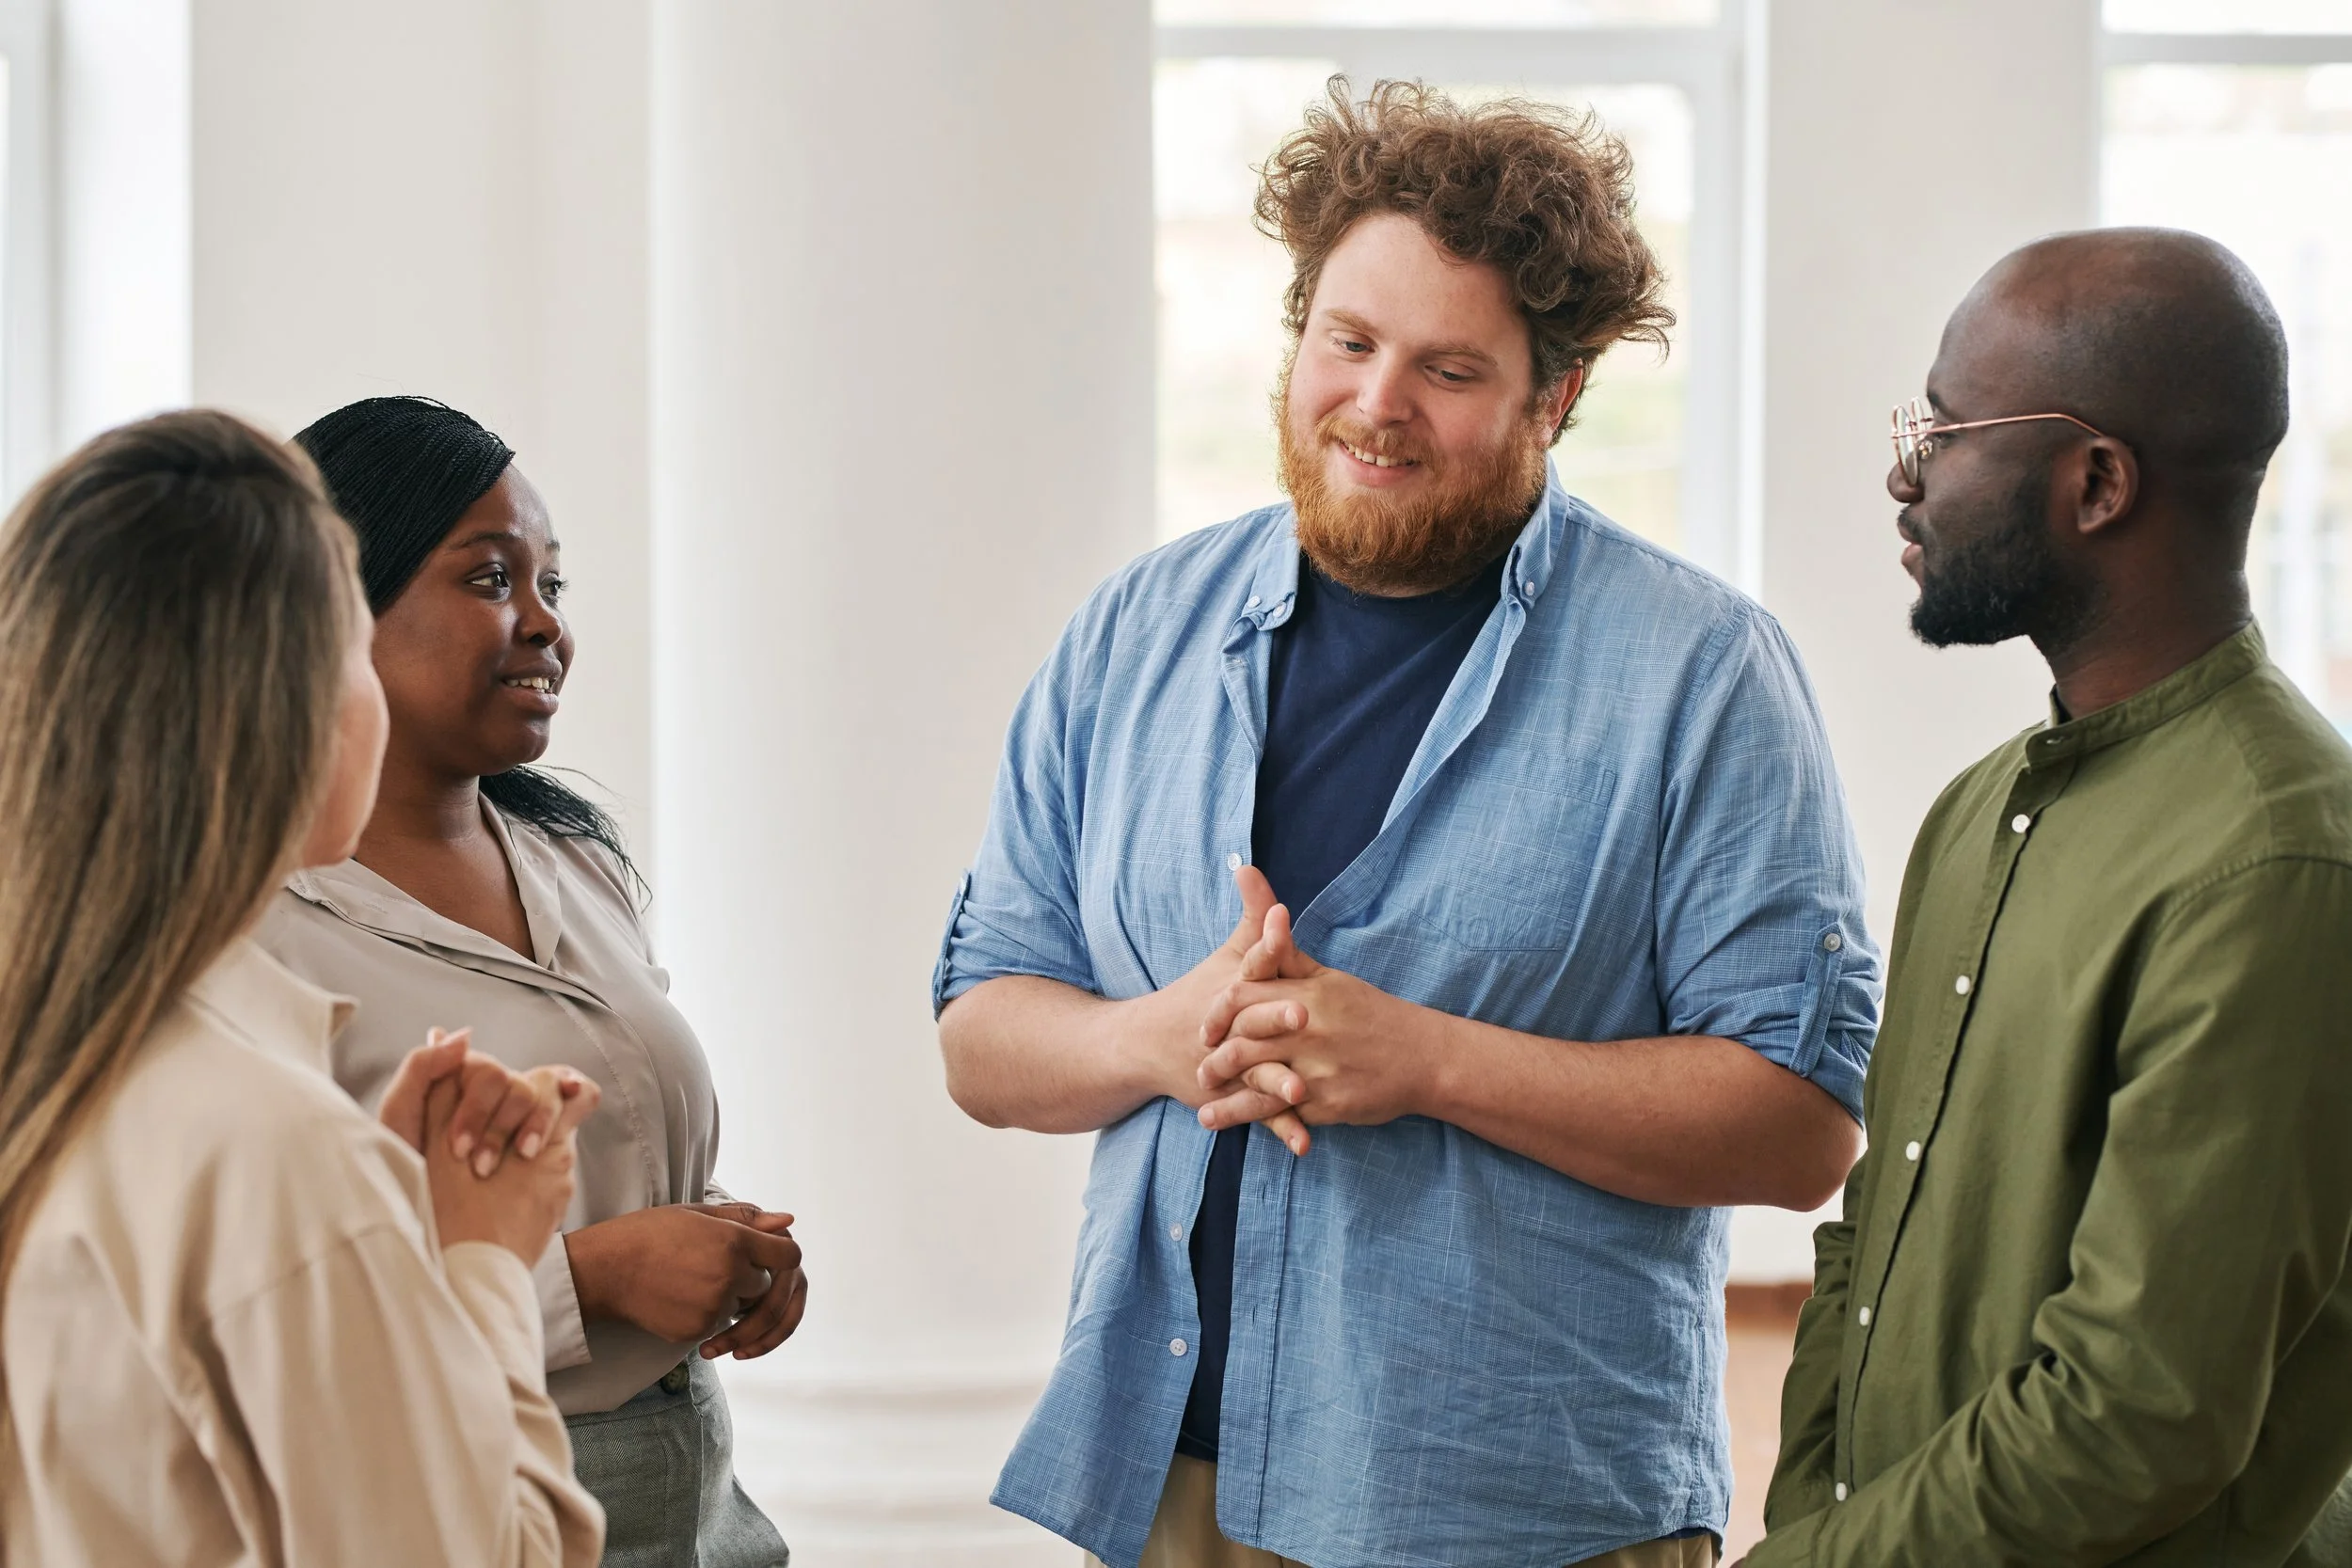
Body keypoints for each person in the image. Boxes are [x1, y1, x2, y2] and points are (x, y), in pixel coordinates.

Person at [937, 80, 1880, 1568]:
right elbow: (980, 1028)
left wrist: (1430, 1058)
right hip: (1170, 1479)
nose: (1376, 403)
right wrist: (1151, 1038)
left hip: (1524, 1511)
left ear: (1551, 398)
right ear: (1298, 333)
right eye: (1349, 340)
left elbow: (1799, 1124)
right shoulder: (1135, 631)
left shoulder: (1704, 672)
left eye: (1447, 366)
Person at [1745, 230, 2352, 1566]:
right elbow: (1868, 1235)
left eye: (1950, 430)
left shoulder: (2277, 859)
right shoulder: (1980, 809)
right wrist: (1814, 1520)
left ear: (2094, 484)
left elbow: (2141, 1408)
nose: (1908, 474)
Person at [0, 409, 607, 1564]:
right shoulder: (275, 1150)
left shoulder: (66, 1075)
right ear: (280, 704)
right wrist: (479, 1257)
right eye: (344, 642)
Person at [255, 395, 803, 1567]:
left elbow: (606, 1146)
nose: (545, 624)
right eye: (491, 579)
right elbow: (261, 1308)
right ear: (334, 602)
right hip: (440, 1489)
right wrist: (591, 1278)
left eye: (554, 585)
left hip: (693, 1476)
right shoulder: (246, 929)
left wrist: (713, 1244)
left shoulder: (574, 859)